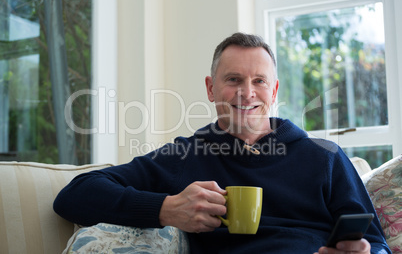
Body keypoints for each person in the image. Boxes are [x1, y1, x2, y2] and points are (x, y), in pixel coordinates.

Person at [54, 33, 390, 253]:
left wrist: (366, 252)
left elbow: (377, 242)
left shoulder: (325, 156)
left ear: (273, 92)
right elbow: (75, 195)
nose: (247, 92)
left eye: (259, 81)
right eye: (233, 80)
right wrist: (167, 209)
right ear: (211, 88)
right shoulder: (185, 155)